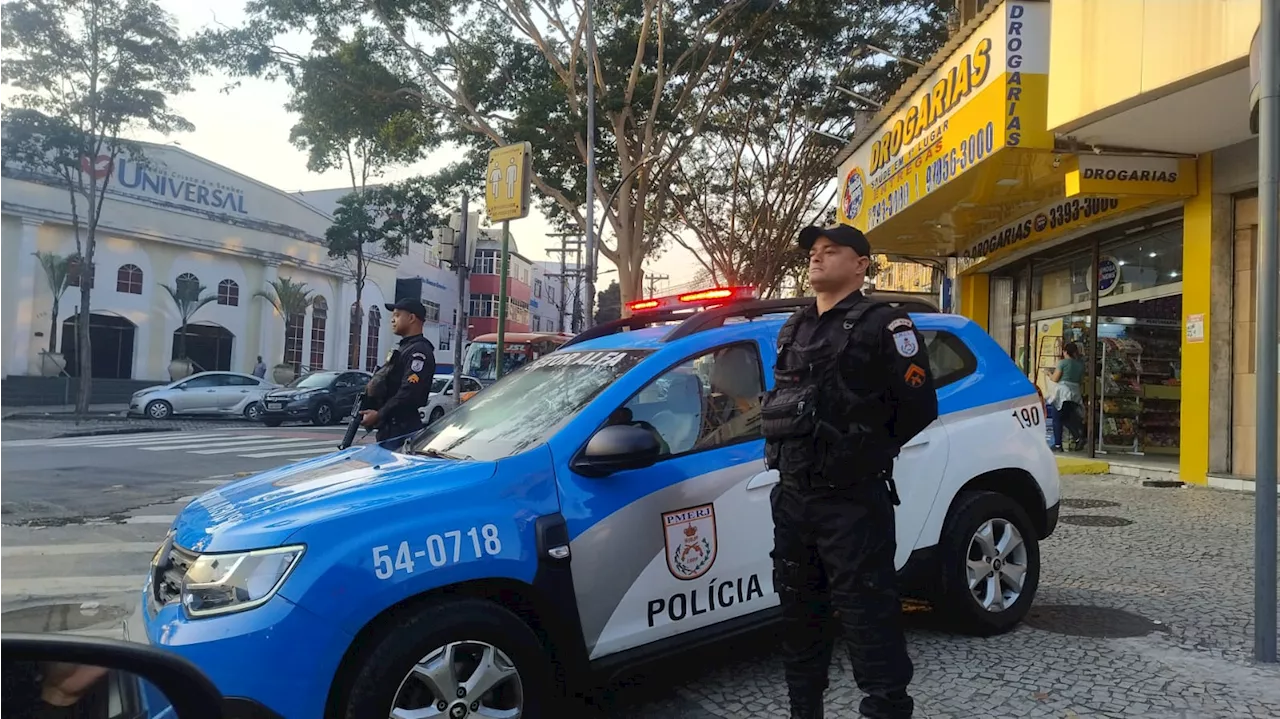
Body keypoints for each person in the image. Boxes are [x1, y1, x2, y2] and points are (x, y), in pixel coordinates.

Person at [760, 224, 938, 719]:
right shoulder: (793, 327)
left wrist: (864, 452)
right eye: (814, 252)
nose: (817, 258)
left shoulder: (888, 325)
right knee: (799, 616)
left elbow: (919, 405)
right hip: (793, 499)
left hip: (852, 503)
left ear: (861, 264)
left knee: (868, 618)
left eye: (830, 251)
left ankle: (885, 708)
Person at [359, 298, 436, 442]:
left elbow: (409, 393)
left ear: (412, 318)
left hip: (402, 429)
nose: (392, 320)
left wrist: (379, 414)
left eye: (397, 315)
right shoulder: (404, 348)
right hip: (391, 427)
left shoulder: (419, 352)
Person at [1045, 342, 1086, 451]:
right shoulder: (1080, 365)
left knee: (1057, 418)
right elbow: (1081, 381)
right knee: (1066, 418)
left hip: (1062, 394)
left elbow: (1055, 379)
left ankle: (1058, 445)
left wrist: (1048, 373)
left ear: (1065, 352)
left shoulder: (1062, 363)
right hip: (1075, 394)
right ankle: (1078, 437)